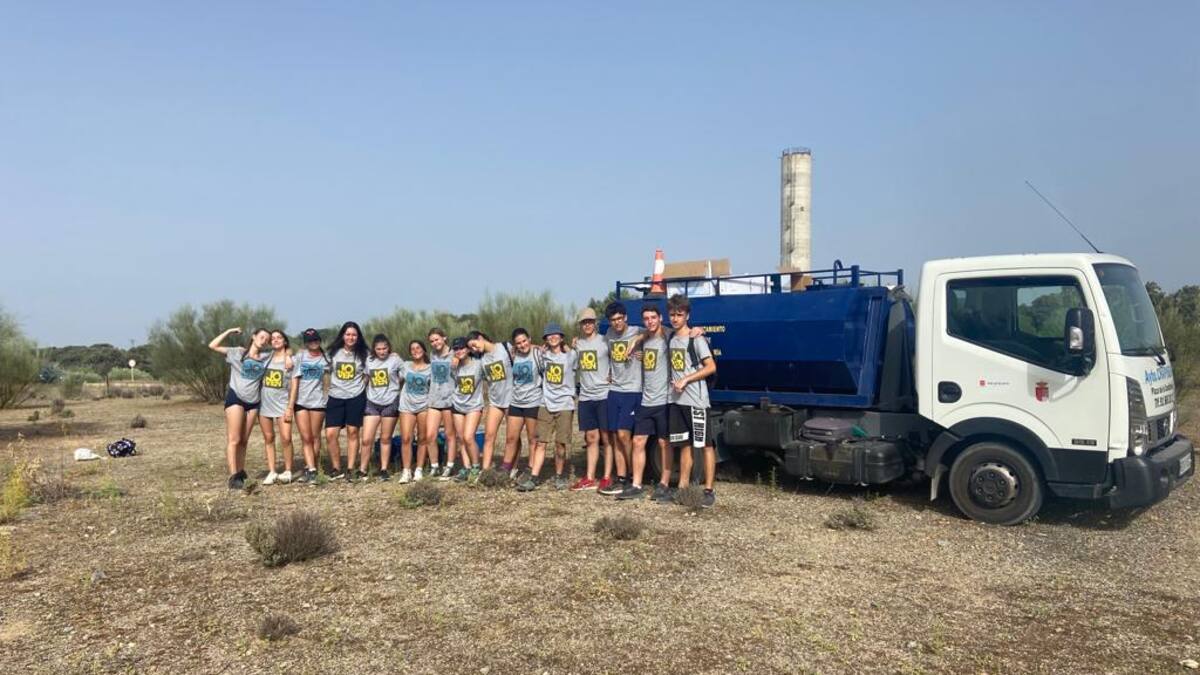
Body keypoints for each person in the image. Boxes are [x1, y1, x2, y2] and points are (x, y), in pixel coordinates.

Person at [665, 294, 718, 508]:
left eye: (679, 314)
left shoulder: (696, 339)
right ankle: (683, 488)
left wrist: (686, 379)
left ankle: (708, 490)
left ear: (687, 315)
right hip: (677, 402)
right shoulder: (670, 337)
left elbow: (711, 366)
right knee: (684, 444)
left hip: (696, 401)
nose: (675, 318)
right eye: (672, 315)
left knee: (705, 445)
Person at [617, 304, 670, 501]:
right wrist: (638, 339)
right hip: (646, 401)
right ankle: (636, 484)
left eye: (653, 318)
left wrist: (698, 331)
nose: (650, 321)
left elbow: (686, 332)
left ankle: (664, 484)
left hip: (664, 400)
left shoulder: (668, 337)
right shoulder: (645, 340)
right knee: (638, 441)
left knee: (665, 443)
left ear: (660, 318)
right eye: (646, 318)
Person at [208, 326, 272, 490]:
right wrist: (229, 331)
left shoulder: (265, 357)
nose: (263, 340)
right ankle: (233, 476)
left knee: (244, 440)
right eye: (262, 337)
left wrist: (286, 357)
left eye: (267, 339)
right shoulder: (238, 352)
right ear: (254, 336)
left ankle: (241, 472)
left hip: (253, 402)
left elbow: (284, 352)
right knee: (234, 439)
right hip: (236, 397)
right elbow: (212, 346)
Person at [521, 323, 575, 492]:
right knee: (540, 442)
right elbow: (528, 348)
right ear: (545, 340)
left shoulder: (571, 356)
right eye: (549, 336)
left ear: (561, 337)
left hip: (565, 405)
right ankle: (534, 477)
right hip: (546, 404)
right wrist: (539, 347)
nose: (552, 337)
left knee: (560, 444)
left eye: (556, 335)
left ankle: (559, 476)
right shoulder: (542, 356)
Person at [599, 301, 641, 496]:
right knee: (615, 436)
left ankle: (635, 477)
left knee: (625, 435)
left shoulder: (636, 330)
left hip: (633, 389)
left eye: (619, 319)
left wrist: (638, 339)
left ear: (625, 317)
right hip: (614, 389)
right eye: (612, 320)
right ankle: (621, 478)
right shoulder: (608, 335)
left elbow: (657, 331)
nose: (616, 323)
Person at [570, 307, 613, 491]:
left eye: (590, 321)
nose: (587, 325)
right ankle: (589, 477)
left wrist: (613, 374)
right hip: (586, 396)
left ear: (595, 323)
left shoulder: (605, 341)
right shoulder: (577, 344)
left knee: (607, 437)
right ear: (580, 325)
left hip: (604, 395)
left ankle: (606, 477)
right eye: (584, 322)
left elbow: (619, 358)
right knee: (591, 437)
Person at [325, 321, 368, 481]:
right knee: (330, 434)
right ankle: (336, 468)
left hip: (355, 397)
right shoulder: (333, 353)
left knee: (353, 432)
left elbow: (373, 369)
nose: (351, 337)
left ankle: (350, 468)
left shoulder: (364, 354)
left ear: (358, 337)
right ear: (343, 335)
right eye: (348, 334)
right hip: (335, 396)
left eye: (354, 335)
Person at [467, 330, 512, 471]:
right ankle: (485, 470)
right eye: (471, 348)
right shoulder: (481, 359)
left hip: (512, 399)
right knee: (488, 436)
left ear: (481, 337)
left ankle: (511, 467)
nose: (474, 349)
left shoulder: (505, 347)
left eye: (474, 344)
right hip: (495, 402)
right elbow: (464, 358)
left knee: (512, 438)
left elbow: (526, 348)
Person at [289, 328, 329, 485]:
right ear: (306, 343)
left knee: (315, 436)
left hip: (318, 401)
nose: (313, 343)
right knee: (305, 437)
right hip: (301, 402)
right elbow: (284, 360)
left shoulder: (326, 358)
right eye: (310, 341)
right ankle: (311, 469)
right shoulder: (300, 356)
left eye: (316, 340)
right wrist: (287, 354)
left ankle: (311, 466)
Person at [361, 334, 403, 482]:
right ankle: (362, 469)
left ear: (389, 348)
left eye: (384, 348)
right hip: (372, 402)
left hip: (390, 402)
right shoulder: (369, 360)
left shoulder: (396, 360)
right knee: (366, 439)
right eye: (378, 349)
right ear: (374, 349)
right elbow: (366, 378)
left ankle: (384, 468)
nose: (382, 351)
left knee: (385, 438)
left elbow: (403, 376)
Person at [257, 330, 296, 485]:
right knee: (269, 438)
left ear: (285, 341)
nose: (276, 340)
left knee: (286, 438)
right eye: (272, 339)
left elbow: (294, 386)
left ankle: (288, 471)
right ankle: (272, 471)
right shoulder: (265, 358)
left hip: (282, 405)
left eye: (279, 338)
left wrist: (290, 407)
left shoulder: (291, 360)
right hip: (265, 404)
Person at [504, 328, 542, 485]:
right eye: (518, 343)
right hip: (516, 402)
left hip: (533, 401)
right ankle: (506, 469)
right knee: (511, 437)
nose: (522, 345)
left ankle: (530, 468)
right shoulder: (513, 355)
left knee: (532, 438)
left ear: (530, 339)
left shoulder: (537, 353)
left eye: (524, 341)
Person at [427, 329, 461, 481]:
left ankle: (450, 465)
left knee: (450, 434)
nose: (435, 343)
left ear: (444, 337)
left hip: (449, 399)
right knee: (430, 435)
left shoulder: (455, 354)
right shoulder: (432, 355)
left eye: (437, 339)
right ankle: (434, 465)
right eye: (432, 341)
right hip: (434, 399)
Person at [449, 336, 484, 483]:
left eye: (462, 348)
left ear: (468, 349)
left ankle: (476, 467)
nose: (459, 351)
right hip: (457, 405)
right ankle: (466, 467)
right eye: (456, 349)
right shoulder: (454, 366)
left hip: (474, 406)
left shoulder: (478, 364)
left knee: (469, 437)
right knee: (461, 438)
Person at [401, 339, 434, 480]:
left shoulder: (431, 368)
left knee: (422, 438)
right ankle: (406, 470)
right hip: (406, 405)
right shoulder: (405, 366)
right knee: (406, 438)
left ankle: (419, 469)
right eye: (412, 349)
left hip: (424, 406)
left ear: (424, 350)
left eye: (418, 347)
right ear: (409, 352)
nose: (415, 351)